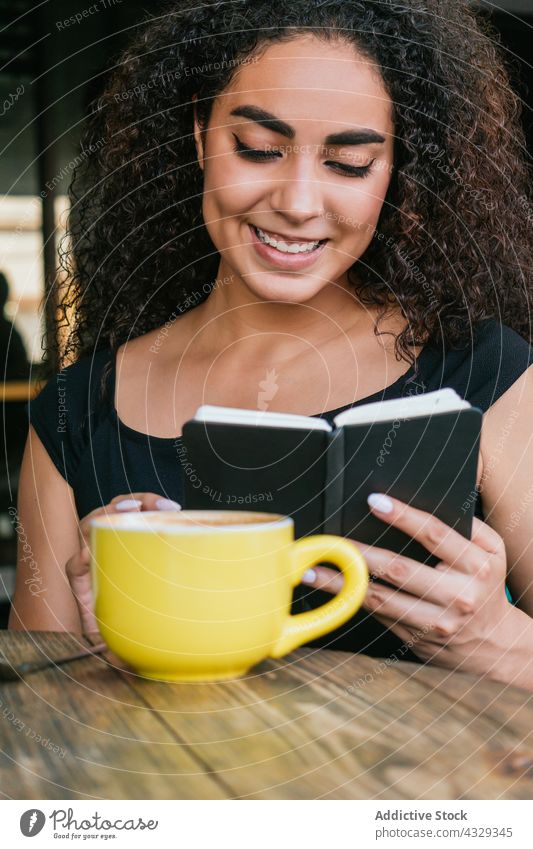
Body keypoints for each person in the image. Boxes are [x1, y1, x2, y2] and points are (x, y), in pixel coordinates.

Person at [9, 0, 533, 690]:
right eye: (258, 149)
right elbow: (32, 724)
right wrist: (98, 640)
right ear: (199, 132)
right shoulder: (77, 412)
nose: (298, 200)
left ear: (394, 170)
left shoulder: (488, 373)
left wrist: (495, 638)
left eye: (348, 163)